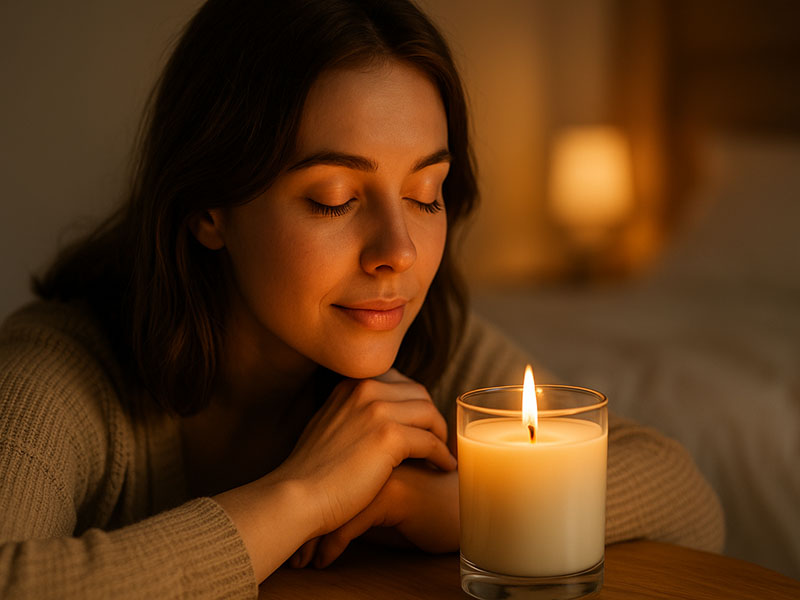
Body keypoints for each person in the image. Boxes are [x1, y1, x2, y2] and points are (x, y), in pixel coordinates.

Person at [0, 0, 724, 597]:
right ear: (209, 208)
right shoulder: (59, 374)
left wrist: (447, 505)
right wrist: (301, 495)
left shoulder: (428, 339)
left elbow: (685, 496)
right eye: (334, 199)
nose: (399, 253)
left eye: (425, 194)